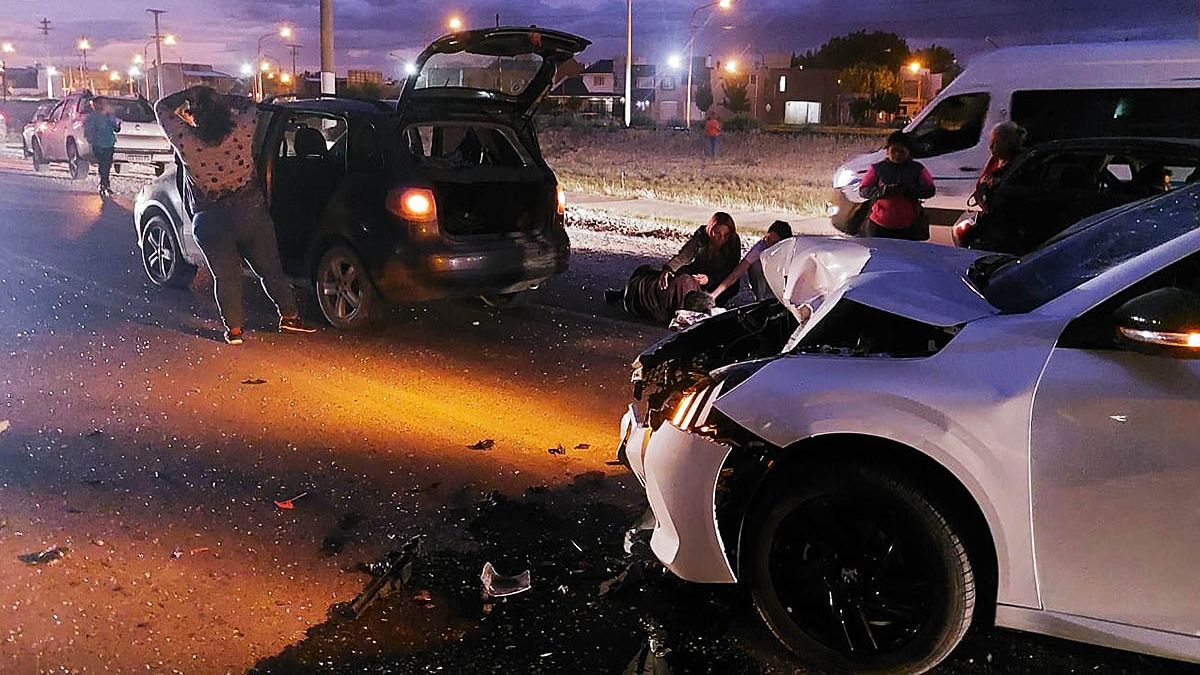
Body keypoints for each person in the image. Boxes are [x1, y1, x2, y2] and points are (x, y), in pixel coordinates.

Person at [155, 85, 315, 345]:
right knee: (270, 269)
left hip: (209, 219)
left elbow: (161, 107)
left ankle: (235, 331)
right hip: (249, 210)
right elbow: (249, 105)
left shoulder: (187, 141)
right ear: (222, 111)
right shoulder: (242, 130)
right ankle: (289, 316)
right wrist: (217, 96)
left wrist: (190, 94)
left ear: (194, 116)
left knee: (226, 277)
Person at [605, 212, 741, 323]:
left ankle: (714, 304)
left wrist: (709, 279)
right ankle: (622, 294)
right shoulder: (701, 238)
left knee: (733, 285)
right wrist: (668, 269)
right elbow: (683, 256)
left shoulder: (733, 242)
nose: (721, 238)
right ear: (710, 229)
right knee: (669, 286)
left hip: (717, 278)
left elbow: (731, 269)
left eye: (726, 234)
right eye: (717, 233)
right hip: (696, 275)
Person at [858, 131, 935, 239]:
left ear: (908, 152)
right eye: (894, 151)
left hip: (908, 227)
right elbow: (863, 190)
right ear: (887, 151)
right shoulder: (877, 168)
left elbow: (930, 190)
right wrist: (883, 191)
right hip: (878, 225)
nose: (897, 155)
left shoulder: (917, 169)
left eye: (901, 152)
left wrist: (908, 191)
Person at [710, 220, 793, 302]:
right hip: (767, 287)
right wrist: (714, 295)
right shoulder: (761, 247)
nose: (768, 245)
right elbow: (736, 274)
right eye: (767, 239)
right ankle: (763, 300)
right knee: (756, 265)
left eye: (774, 243)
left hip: (785, 288)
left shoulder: (792, 252)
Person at [971, 121, 1026, 211]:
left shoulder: (1022, 161)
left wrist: (999, 184)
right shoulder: (994, 160)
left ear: (1007, 143)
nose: (991, 146)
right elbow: (981, 183)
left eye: (995, 142)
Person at [84, 98, 121, 198]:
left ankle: (104, 184)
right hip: (99, 145)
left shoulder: (109, 116)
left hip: (109, 143)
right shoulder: (93, 117)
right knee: (103, 164)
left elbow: (116, 129)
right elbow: (89, 131)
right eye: (103, 104)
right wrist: (92, 140)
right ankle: (104, 184)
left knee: (107, 164)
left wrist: (117, 124)